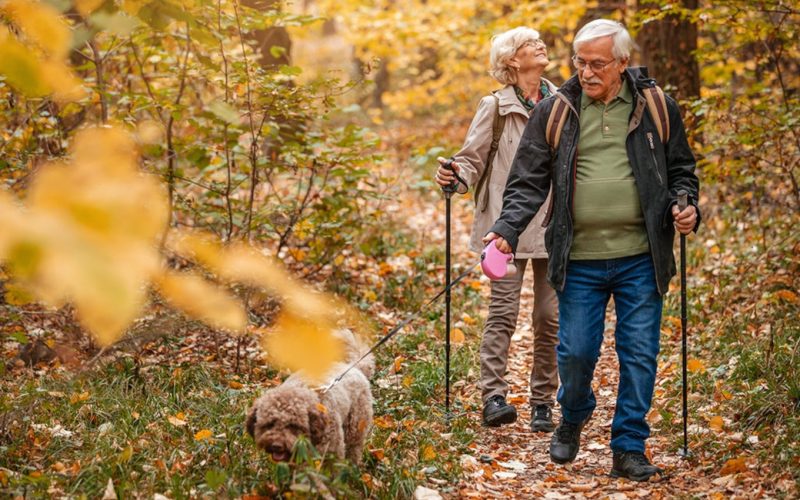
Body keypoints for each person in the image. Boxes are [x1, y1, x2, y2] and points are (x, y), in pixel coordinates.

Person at [484, 19, 700, 481]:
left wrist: (686, 207)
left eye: (597, 63)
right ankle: (573, 414)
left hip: (642, 255)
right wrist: (506, 230)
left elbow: (682, 168)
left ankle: (629, 446)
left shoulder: (657, 106)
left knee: (639, 352)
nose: (586, 71)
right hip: (579, 256)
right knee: (577, 353)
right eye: (580, 61)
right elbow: (527, 180)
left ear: (622, 62)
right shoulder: (557, 109)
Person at [434, 27, 560, 431]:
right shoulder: (495, 106)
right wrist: (455, 176)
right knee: (503, 313)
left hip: (553, 223)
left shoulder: (563, 103)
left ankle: (543, 400)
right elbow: (471, 159)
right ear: (511, 60)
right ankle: (494, 397)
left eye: (539, 41)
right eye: (528, 44)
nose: (540, 46)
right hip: (503, 229)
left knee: (550, 317)